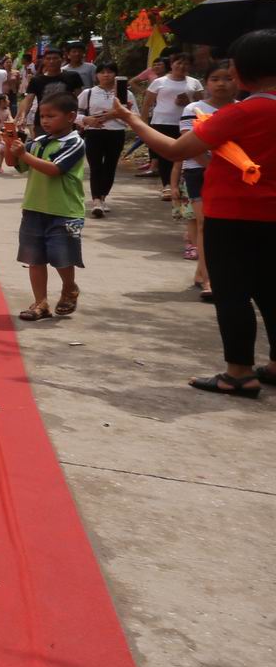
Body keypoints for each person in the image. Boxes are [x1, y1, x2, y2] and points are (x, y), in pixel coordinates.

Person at [112, 29, 276, 396]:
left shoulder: (240, 113)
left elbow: (176, 149)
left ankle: (239, 372)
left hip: (233, 215)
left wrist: (132, 120)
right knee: (270, 289)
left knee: (232, 292)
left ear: (241, 73)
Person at [14, 92, 86, 322]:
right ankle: (40, 303)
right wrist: (10, 146)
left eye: (51, 116)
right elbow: (13, 163)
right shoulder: (38, 142)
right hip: (34, 207)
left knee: (63, 257)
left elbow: (55, 169)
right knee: (34, 258)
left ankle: (69, 287)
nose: (45, 121)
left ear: (70, 116)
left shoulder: (75, 143)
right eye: (42, 116)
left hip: (64, 211)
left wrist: (23, 153)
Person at [176, 62, 238, 298]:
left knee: (228, 226)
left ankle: (203, 271)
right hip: (199, 171)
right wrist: (212, 165)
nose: (221, 83)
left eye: (227, 78)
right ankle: (210, 279)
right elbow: (188, 144)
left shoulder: (243, 108)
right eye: (215, 78)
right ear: (207, 83)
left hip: (236, 175)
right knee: (205, 224)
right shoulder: (194, 108)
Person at [141, 53, 203, 203]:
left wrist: (187, 101)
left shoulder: (194, 83)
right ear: (172, 64)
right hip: (162, 121)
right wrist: (143, 124)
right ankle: (167, 185)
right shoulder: (159, 82)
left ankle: (181, 184)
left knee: (185, 154)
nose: (181, 66)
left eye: (185, 64)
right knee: (165, 155)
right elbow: (147, 103)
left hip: (186, 123)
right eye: (178, 63)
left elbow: (201, 103)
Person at [76, 65, 131, 217]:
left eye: (110, 72)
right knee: (95, 166)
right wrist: (86, 119)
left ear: (116, 75)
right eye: (102, 72)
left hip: (116, 132)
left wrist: (115, 114)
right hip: (94, 133)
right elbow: (74, 113)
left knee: (110, 166)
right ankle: (96, 201)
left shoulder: (125, 94)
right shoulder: (88, 93)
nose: (106, 75)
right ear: (96, 75)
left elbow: (134, 116)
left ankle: (103, 196)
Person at [24, 50, 85, 130]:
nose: (52, 61)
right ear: (44, 61)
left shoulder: (72, 76)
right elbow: (28, 100)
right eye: (48, 59)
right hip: (43, 123)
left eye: (55, 58)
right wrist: (22, 116)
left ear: (62, 59)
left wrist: (79, 119)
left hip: (66, 122)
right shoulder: (36, 80)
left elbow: (80, 100)